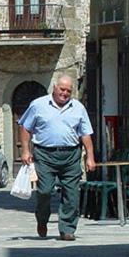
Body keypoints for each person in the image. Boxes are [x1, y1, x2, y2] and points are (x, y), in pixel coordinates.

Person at [18, 74, 96, 241]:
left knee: (72, 193)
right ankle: (42, 219)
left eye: (68, 91)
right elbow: (25, 127)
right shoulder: (38, 105)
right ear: (54, 88)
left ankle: (67, 229)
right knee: (45, 191)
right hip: (45, 154)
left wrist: (90, 157)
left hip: (71, 155)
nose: (65, 93)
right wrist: (25, 151)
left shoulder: (78, 108)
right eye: (62, 89)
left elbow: (86, 134)